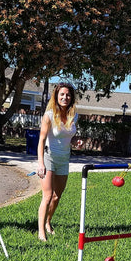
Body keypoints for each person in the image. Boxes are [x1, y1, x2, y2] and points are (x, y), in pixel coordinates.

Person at [37, 82, 78, 241]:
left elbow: (68, 137)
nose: (65, 97)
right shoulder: (48, 115)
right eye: (62, 94)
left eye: (67, 95)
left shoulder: (74, 115)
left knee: (56, 196)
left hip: (64, 159)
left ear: (71, 97)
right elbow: (41, 140)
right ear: (56, 96)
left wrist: (76, 143)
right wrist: (41, 163)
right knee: (47, 196)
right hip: (49, 158)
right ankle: (41, 231)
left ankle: (48, 222)